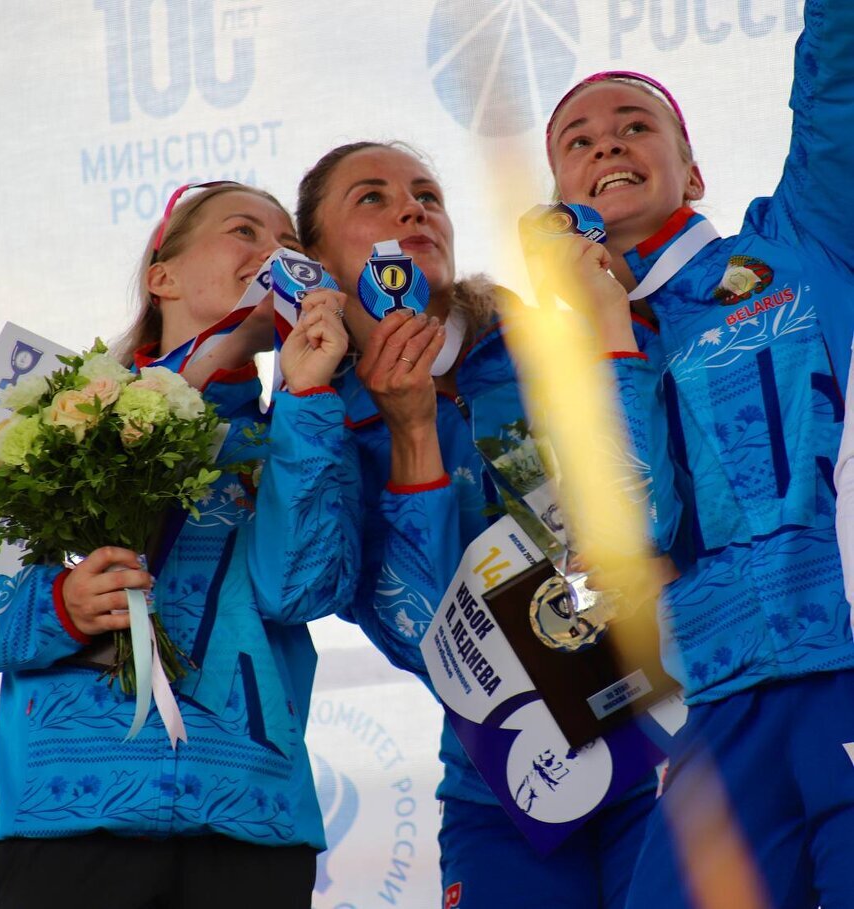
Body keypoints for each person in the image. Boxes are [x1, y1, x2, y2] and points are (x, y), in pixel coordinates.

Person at [0, 182, 360, 909]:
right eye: (245, 232)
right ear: (162, 276)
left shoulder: (301, 428)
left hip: (252, 834)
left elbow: (301, 591)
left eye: (289, 245)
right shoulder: (46, 410)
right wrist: (57, 607)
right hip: (69, 830)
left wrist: (308, 398)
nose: (274, 255)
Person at [536, 2, 854, 905]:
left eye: (636, 125)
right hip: (719, 703)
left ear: (694, 170)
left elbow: (838, 83)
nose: (607, 142)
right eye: (577, 141)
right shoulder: (578, 365)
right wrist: (607, 328)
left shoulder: (801, 238)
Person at [296, 141, 658, 908]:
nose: (412, 208)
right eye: (372, 197)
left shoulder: (549, 338)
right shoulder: (321, 424)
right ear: (316, 261)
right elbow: (421, 630)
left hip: (662, 728)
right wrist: (411, 435)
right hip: (511, 782)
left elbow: (661, 497)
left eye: (428, 194)